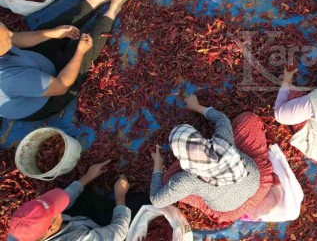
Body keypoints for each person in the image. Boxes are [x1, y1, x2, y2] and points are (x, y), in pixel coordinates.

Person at [0, 0, 134, 121]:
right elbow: (61, 85)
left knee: (52, 29)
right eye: (7, 36)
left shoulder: (6, 43)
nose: (10, 35)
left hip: (31, 63)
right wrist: (79, 53)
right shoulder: (10, 79)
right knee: (82, 53)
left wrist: (52, 33)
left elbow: (16, 39)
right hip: (48, 97)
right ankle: (113, 9)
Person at [150, 95, 273, 223]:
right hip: (258, 186)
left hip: (229, 210)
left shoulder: (187, 180)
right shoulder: (222, 141)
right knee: (248, 120)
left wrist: (158, 166)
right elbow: (222, 118)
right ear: (198, 136)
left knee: (168, 179)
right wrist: (196, 107)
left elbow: (156, 201)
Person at [8, 161, 147, 241]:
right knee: (141, 202)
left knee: (76, 193)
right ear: (51, 228)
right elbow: (117, 233)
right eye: (57, 211)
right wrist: (120, 196)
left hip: (76, 222)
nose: (58, 207)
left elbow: (65, 197)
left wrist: (87, 177)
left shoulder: (19, 231)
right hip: (101, 234)